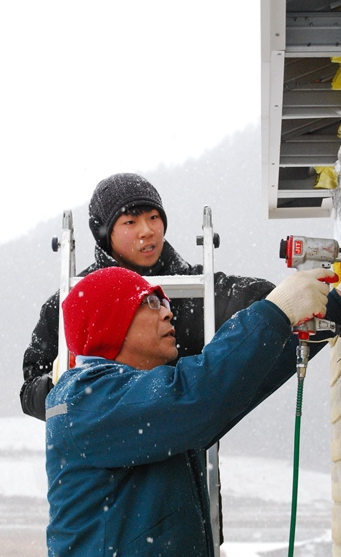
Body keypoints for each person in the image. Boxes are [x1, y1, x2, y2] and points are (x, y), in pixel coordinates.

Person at [42, 265, 341, 557]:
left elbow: (230, 390)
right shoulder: (87, 396)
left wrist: (328, 313)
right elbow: (202, 396)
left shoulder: (145, 405)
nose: (168, 312)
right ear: (109, 322)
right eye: (151, 303)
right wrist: (275, 312)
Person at [20, 172, 276, 421]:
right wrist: (61, 383)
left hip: (184, 438)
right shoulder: (77, 300)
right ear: (103, 233)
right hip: (106, 441)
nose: (147, 231)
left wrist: (284, 301)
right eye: (130, 222)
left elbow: (266, 301)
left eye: (153, 217)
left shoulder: (198, 288)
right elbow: (30, 391)